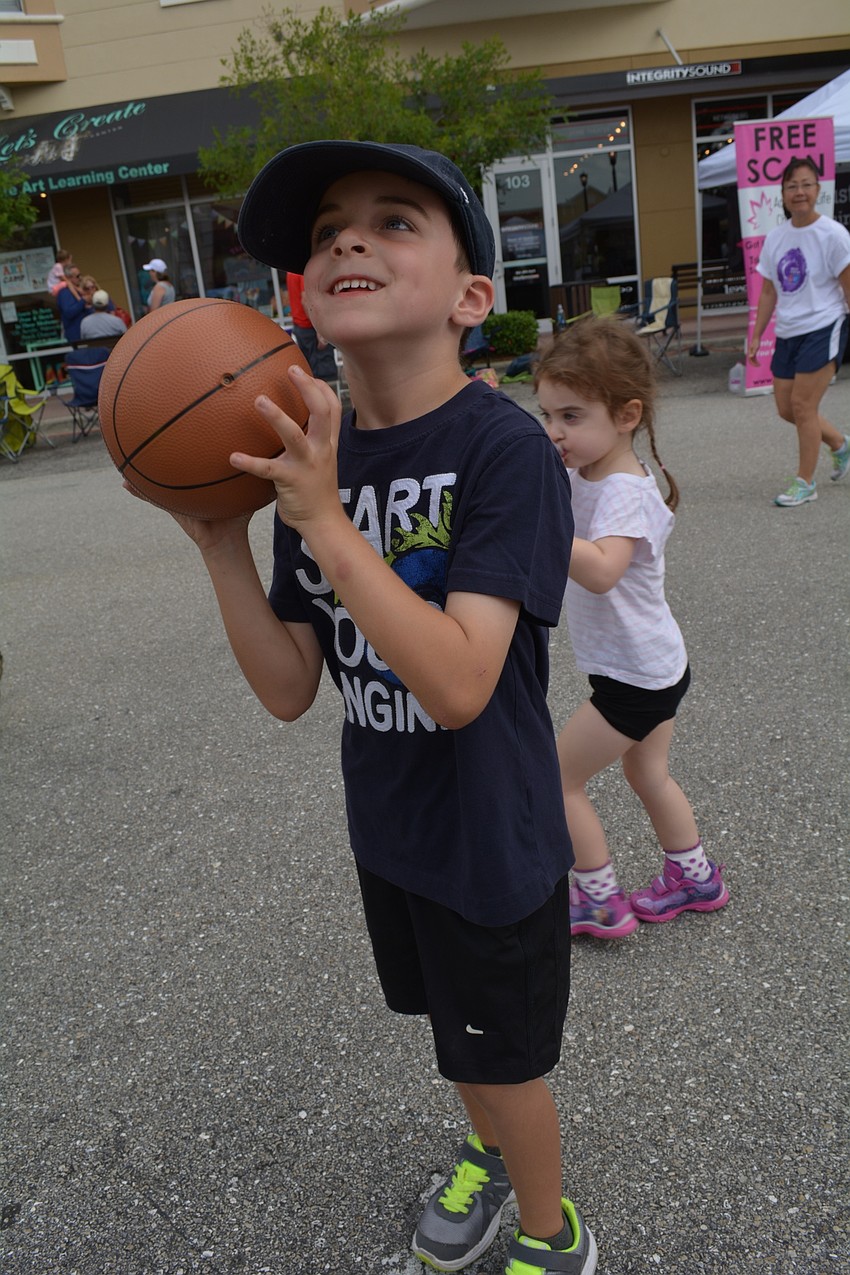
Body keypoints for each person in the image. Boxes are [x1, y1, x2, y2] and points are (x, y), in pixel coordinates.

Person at [137, 141, 597, 1275]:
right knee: (455, 1038)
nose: (348, 236)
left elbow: (456, 685)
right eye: (329, 226)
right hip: (393, 823)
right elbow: (293, 688)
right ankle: (486, 1157)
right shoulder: (314, 457)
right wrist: (220, 543)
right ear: (302, 291)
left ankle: (554, 1233)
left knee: (505, 1057)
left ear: (468, 298)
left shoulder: (502, 450)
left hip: (490, 831)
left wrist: (328, 522)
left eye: (395, 222)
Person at [535, 317, 729, 939]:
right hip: (654, 663)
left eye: (570, 416)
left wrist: (539, 529)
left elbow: (601, 571)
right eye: (546, 415)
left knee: (556, 777)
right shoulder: (585, 472)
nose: (554, 432)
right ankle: (694, 877)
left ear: (626, 415)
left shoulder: (621, 488)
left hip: (635, 678)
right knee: (647, 774)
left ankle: (597, 899)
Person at [748, 156, 850, 507]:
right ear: (783, 194)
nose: (799, 192)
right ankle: (840, 444)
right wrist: (757, 334)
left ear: (818, 190)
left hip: (824, 324)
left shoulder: (834, 235)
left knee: (803, 406)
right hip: (788, 330)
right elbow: (768, 290)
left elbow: (848, 285)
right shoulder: (776, 237)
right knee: (786, 408)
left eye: (806, 184)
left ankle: (805, 482)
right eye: (792, 186)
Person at [284, 270, 338, 382]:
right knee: (324, 375)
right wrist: (318, 327)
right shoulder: (302, 272)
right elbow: (306, 300)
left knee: (309, 372)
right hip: (310, 327)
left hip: (300, 326)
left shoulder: (290, 273)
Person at [55, 263, 88, 343]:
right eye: (77, 276)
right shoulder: (65, 293)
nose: (80, 278)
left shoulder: (80, 290)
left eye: (80, 275)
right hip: (75, 336)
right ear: (68, 278)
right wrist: (83, 301)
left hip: (86, 333)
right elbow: (69, 312)